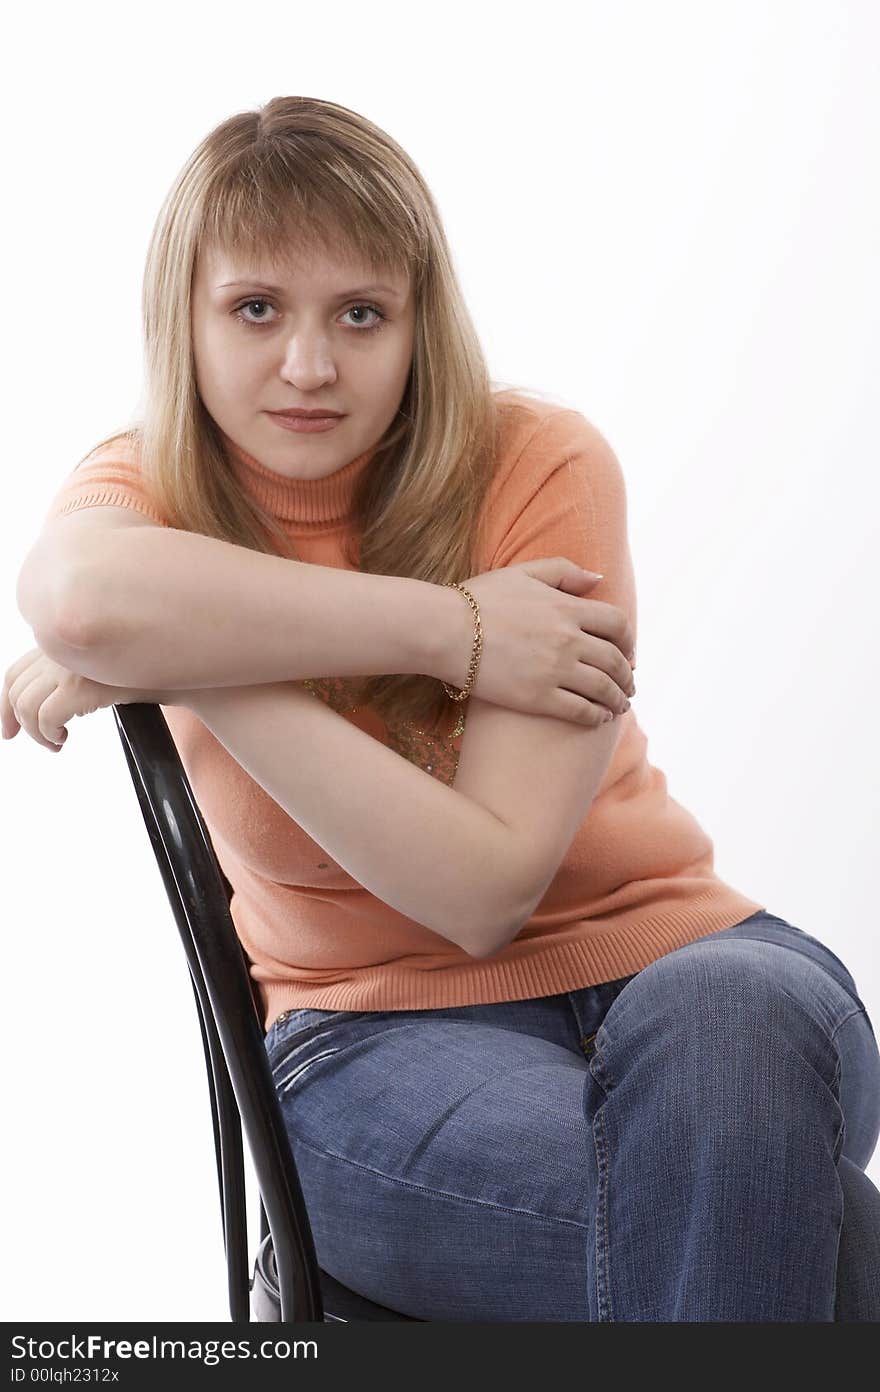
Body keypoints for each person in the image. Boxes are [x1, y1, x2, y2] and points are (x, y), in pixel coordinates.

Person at [8, 95, 880, 1321]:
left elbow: (486, 882)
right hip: (370, 1044)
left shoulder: (539, 463)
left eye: (360, 314)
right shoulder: (145, 491)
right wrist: (460, 628)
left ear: (420, 324)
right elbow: (77, 593)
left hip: (695, 972)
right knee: (798, 1222)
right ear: (184, 320)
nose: (309, 365)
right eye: (256, 308)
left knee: (737, 1017)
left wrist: (183, 648)